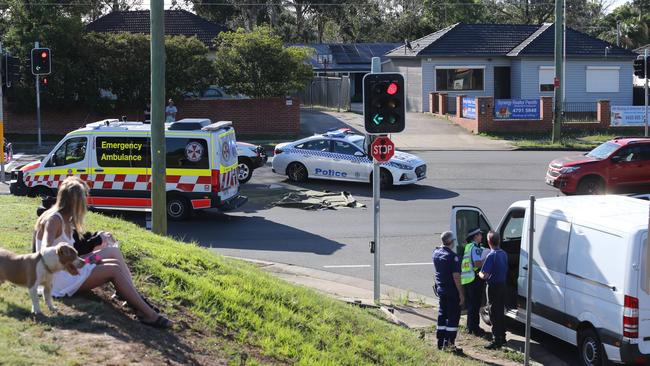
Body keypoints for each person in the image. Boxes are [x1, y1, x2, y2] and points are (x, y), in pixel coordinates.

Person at [34, 176, 172, 328]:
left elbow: (74, 250)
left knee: (112, 253)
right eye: (84, 199)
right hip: (60, 279)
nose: (86, 204)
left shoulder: (66, 219)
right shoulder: (54, 220)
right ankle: (149, 315)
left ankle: (134, 298)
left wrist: (94, 246)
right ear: (75, 202)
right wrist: (67, 264)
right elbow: (44, 251)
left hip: (71, 269)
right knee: (113, 269)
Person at [433, 231, 465, 353]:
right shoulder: (453, 257)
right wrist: (461, 294)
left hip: (441, 289)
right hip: (452, 291)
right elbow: (456, 277)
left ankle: (440, 342)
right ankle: (450, 344)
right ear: (451, 242)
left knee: (442, 314)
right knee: (453, 317)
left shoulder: (436, 252)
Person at [479, 231, 509, 349]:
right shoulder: (504, 254)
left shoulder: (491, 255)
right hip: (502, 285)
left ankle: (496, 339)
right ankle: (503, 336)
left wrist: (480, 273)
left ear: (489, 242)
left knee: (493, 312)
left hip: (493, 286)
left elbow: (485, 275)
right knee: (500, 310)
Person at [461, 227, 487, 336]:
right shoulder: (475, 248)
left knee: (472, 305)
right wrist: (487, 258)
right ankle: (474, 328)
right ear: (475, 236)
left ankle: (470, 327)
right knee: (475, 305)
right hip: (474, 279)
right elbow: (477, 264)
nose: (481, 236)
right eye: (480, 234)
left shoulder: (468, 246)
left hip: (468, 279)